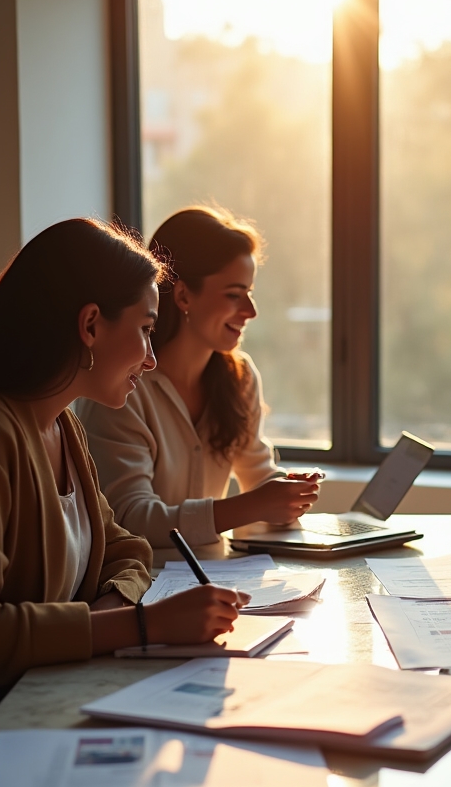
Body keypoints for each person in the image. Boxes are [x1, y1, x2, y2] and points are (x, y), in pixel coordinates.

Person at [0, 219, 250, 787]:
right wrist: (139, 625)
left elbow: (127, 549)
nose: (150, 358)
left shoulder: (61, 424)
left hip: (36, 710)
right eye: (145, 331)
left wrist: (109, 612)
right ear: (91, 325)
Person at [76, 207, 319, 564]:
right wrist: (254, 505)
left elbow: (257, 473)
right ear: (184, 296)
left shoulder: (240, 378)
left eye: (250, 293)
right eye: (234, 294)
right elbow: (130, 517)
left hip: (218, 572)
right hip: (141, 580)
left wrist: (288, 493)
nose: (250, 311)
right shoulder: (121, 386)